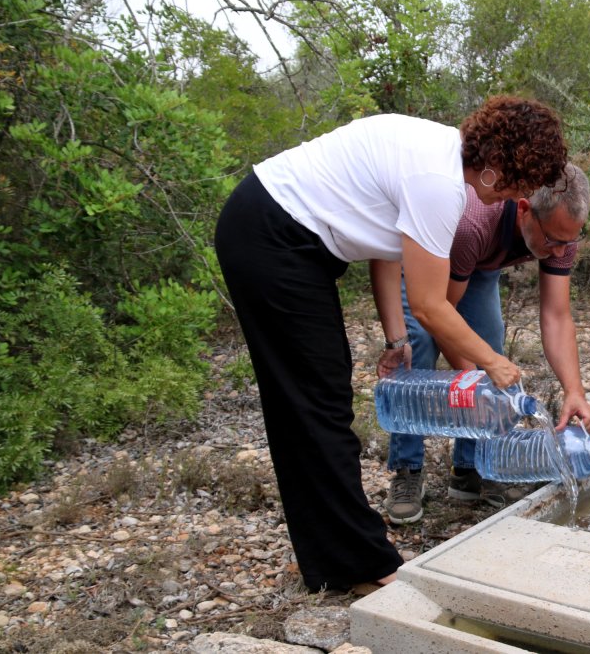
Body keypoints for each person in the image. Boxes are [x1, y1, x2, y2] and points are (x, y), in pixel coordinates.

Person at [214, 96, 567, 594]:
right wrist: (492, 362)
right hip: (272, 236)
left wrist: (395, 337)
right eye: (518, 185)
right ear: (494, 170)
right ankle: (361, 563)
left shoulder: (439, 156)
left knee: (318, 401)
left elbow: (388, 250)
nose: (514, 198)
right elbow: (429, 304)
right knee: (316, 404)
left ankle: (335, 559)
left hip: (283, 237)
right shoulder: (440, 185)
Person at [379, 164, 590, 524]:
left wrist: (575, 391)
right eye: (553, 240)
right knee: (418, 346)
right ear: (525, 210)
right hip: (430, 257)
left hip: (479, 266)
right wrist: (475, 383)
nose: (559, 251)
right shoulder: (475, 221)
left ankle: (470, 469)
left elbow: (557, 316)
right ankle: (407, 470)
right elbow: (439, 313)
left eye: (569, 241)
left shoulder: (561, 233)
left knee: (489, 345)